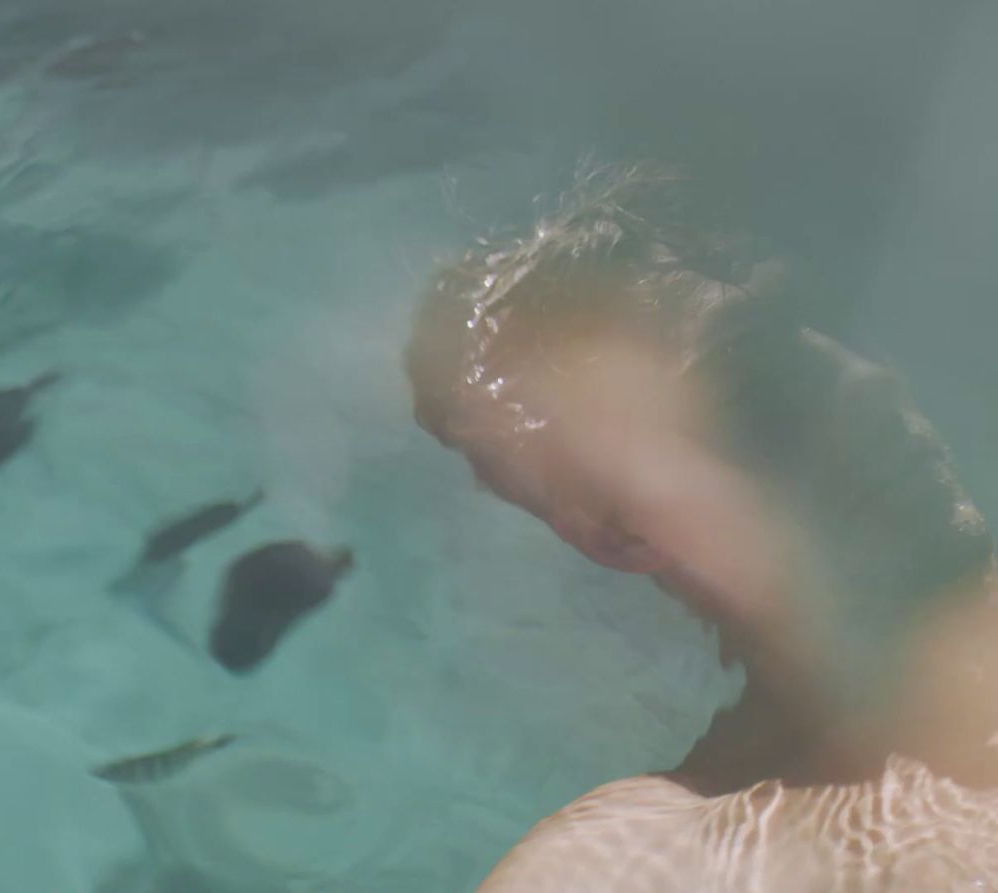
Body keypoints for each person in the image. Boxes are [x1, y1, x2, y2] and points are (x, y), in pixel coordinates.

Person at [404, 164, 998, 887]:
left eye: (813, 328)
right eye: (750, 386)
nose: (860, 387)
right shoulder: (646, 868)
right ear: (627, 533)